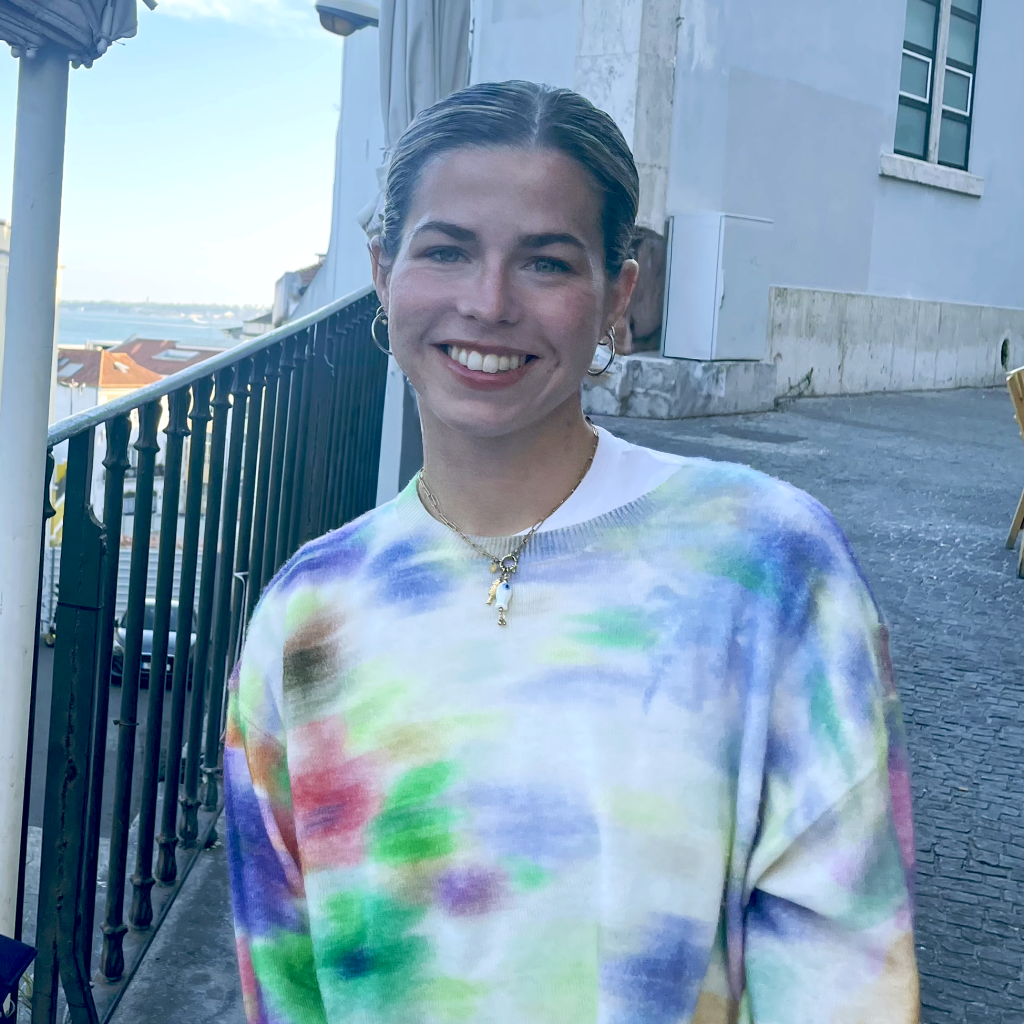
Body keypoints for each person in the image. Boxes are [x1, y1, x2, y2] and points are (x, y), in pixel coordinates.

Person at [224, 80, 918, 1024]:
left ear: (616, 297)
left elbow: (845, 963)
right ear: (384, 272)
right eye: (446, 250)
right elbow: (284, 972)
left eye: (546, 263)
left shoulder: (768, 564)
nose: (488, 303)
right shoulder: (308, 612)